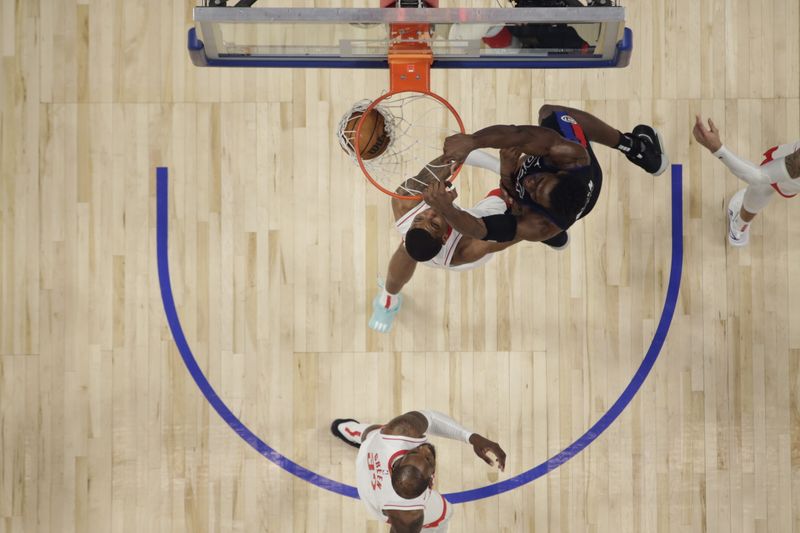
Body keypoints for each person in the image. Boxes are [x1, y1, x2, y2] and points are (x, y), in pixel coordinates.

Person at [429, 104, 670, 249]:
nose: (530, 183)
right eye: (540, 181)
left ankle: (640, 151)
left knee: (523, 223)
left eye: (534, 192)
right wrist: (473, 141)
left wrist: (448, 210)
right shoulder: (572, 157)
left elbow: (480, 230)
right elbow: (519, 135)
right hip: (574, 182)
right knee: (553, 113)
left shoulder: (539, 224)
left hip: (544, 221)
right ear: (560, 172)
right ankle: (634, 147)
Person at [368, 153, 522, 333]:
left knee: (407, 249)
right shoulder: (467, 250)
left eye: (420, 219)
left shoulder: (403, 204)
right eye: (434, 224)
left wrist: (460, 155)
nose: (430, 214)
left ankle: (388, 299)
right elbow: (520, 232)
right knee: (518, 188)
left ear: (410, 226)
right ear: (443, 237)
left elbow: (449, 159)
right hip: (481, 228)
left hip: (424, 244)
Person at [330, 411, 506, 533]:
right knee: (445, 513)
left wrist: (472, 438)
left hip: (368, 468)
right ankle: (346, 429)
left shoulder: (397, 432)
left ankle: (345, 428)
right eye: (428, 459)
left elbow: (430, 418)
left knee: (373, 433)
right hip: (374, 498)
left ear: (396, 466)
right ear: (430, 482)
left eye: (414, 452)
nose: (425, 450)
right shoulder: (408, 513)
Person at [692, 115, 800, 246]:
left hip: (791, 175)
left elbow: (758, 177)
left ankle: (739, 227)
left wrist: (717, 149)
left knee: (762, 185)